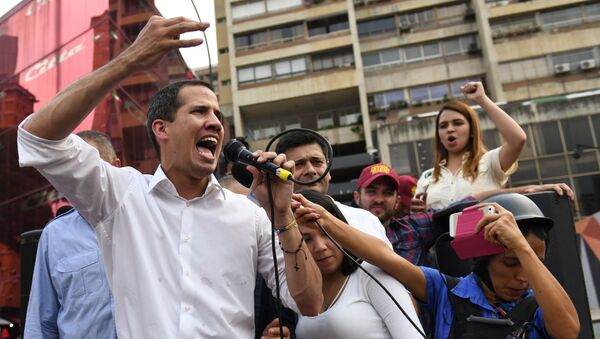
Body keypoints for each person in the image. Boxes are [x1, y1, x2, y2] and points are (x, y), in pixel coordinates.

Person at [18, 15, 322, 338]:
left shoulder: (249, 216)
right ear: (161, 129)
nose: (216, 123)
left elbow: (310, 302)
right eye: (199, 112)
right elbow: (36, 138)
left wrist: (284, 215)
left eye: (218, 115)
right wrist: (131, 58)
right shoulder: (121, 196)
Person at [293, 192, 580, 339]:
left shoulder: (540, 307)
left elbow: (568, 331)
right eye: (510, 262)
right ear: (482, 256)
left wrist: (519, 246)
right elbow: (382, 256)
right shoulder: (444, 290)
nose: (523, 278)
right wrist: (325, 221)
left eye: (531, 265)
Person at [25, 130, 120, 339]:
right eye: (72, 171)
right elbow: (41, 325)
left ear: (116, 167)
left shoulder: (146, 219)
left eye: (88, 168)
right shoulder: (55, 236)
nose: (79, 178)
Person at [293, 190, 423, 339]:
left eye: (326, 233)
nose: (321, 246)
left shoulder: (373, 276)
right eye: (307, 239)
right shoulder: (299, 290)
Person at [414, 82, 527, 210]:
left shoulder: (489, 162)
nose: (450, 129)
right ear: (438, 135)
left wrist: (482, 99)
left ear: (472, 131)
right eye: (443, 126)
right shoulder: (427, 177)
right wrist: (417, 210)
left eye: (457, 123)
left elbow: (518, 139)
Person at [275, 131, 391, 246]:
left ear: (328, 170)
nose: (310, 170)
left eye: (317, 162)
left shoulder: (366, 220)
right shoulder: (266, 227)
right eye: (299, 164)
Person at [353, 163, 433, 265]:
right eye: (372, 192)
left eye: (387, 193)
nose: (379, 199)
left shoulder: (414, 227)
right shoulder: (343, 236)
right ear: (357, 197)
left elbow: (454, 210)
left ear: (397, 201)